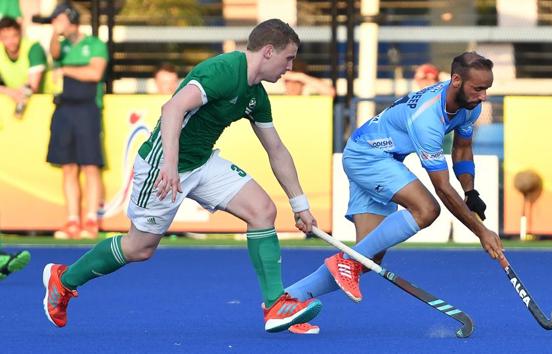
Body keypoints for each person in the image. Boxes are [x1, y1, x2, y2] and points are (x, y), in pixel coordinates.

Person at [42, 18, 322, 334]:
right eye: (289, 58)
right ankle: (63, 281)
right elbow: (172, 109)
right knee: (139, 248)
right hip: (164, 163)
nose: (290, 67)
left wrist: (300, 204)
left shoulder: (256, 95)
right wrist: (170, 165)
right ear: (269, 52)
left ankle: (275, 304)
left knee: (263, 210)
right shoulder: (223, 71)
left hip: (202, 162)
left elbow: (277, 150)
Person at [285, 52, 505, 317]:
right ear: (456, 80)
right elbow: (443, 189)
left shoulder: (470, 106)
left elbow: (462, 148)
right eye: (478, 89)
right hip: (368, 157)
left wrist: (470, 191)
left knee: (368, 259)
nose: (484, 96)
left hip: (374, 155)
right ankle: (345, 261)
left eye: (487, 89)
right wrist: (481, 231)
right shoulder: (428, 119)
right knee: (426, 210)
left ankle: (287, 300)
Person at [43, 3, 108, 240]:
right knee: (68, 166)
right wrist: (54, 32)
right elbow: (55, 55)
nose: (57, 24)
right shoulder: (61, 44)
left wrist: (66, 70)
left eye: (60, 20)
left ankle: (91, 219)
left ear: (71, 19)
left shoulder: (94, 45)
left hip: (87, 110)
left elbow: (94, 73)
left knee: (90, 165)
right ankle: (72, 220)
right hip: (64, 109)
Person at [0, 16, 48, 117]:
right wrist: (11, 92)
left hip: (45, 102)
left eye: (14, 36)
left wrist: (13, 94)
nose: (11, 41)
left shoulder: (33, 48)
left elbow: (32, 86)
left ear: (20, 33)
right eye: (5, 37)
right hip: (17, 103)